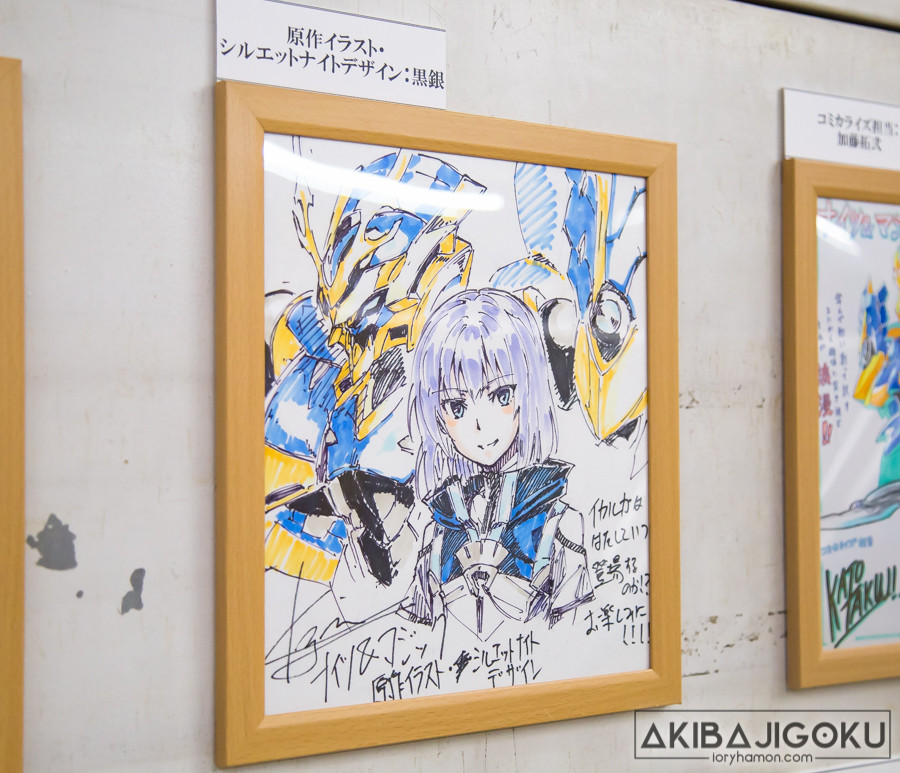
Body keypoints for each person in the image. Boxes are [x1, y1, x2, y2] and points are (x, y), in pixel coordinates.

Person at [403, 289, 593, 636]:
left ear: (528, 394)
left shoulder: (559, 522)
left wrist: (504, 587)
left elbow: (577, 635)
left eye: (501, 395)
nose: (480, 425)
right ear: (437, 415)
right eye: (457, 407)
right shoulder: (437, 531)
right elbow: (416, 636)